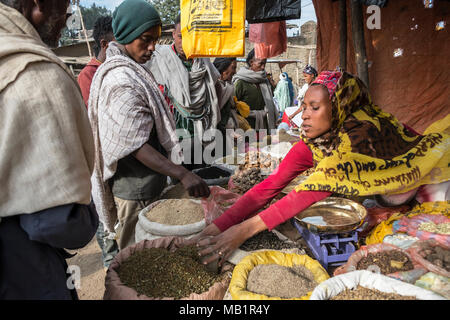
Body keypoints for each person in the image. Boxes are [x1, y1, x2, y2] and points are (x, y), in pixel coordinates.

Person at [194, 71, 450, 266]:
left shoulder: (358, 140)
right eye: (304, 106)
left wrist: (239, 233)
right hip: (385, 190)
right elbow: (268, 187)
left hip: (429, 174)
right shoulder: (318, 140)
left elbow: (302, 196)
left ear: (340, 108)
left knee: (429, 235)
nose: (304, 115)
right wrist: (216, 228)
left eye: (314, 108)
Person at [88, 0, 210, 251]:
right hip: (135, 190)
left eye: (155, 39)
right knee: (136, 258)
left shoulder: (132, 70)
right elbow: (136, 145)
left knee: (152, 253)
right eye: (145, 39)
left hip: (147, 184)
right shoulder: (121, 80)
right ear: (125, 34)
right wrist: (182, 174)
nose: (153, 47)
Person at [0, 0, 98, 299]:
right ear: (39, 4)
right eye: (65, 9)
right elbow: (56, 220)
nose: (65, 20)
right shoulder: (34, 75)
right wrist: (89, 218)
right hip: (20, 267)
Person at [146, 13, 221, 167]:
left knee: (203, 176)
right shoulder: (160, 58)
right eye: (181, 36)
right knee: (180, 182)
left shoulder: (203, 59)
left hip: (204, 132)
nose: (185, 42)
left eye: (190, 37)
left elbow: (216, 85)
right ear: (173, 34)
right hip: (175, 135)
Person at [76, 16, 119, 268]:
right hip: (99, 162)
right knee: (107, 225)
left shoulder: (115, 71)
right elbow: (102, 121)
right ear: (105, 44)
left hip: (116, 162)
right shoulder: (88, 76)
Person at [233, 48, 278, 131]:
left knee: (264, 143)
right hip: (245, 127)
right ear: (251, 62)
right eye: (260, 64)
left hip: (264, 126)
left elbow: (270, 102)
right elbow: (232, 106)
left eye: (264, 64)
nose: (263, 67)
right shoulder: (240, 83)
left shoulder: (265, 82)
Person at [77, 15, 115, 108]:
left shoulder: (118, 67)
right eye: (118, 43)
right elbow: (92, 110)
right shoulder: (87, 74)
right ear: (104, 44)